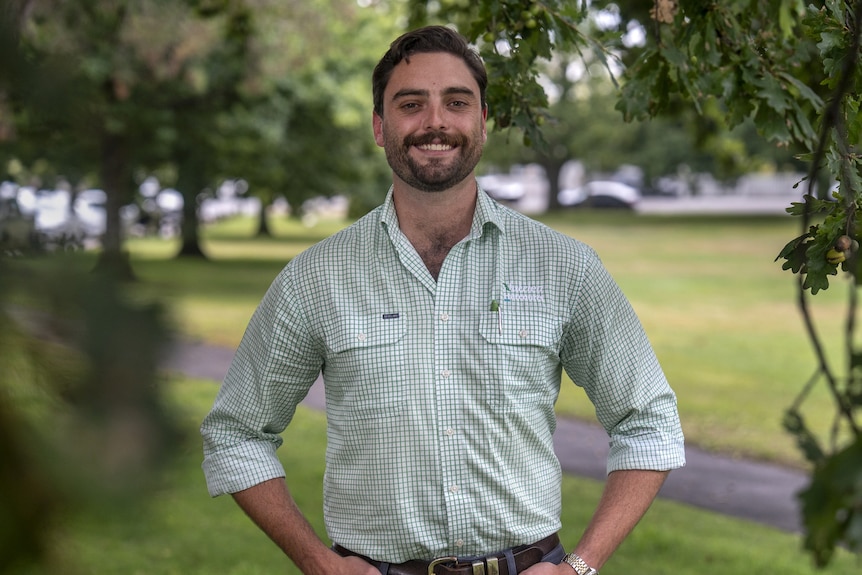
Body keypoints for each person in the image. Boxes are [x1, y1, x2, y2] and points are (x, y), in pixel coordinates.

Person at [201, 25, 685, 575]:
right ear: (380, 127)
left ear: (483, 122)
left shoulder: (563, 267)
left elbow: (648, 422)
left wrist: (582, 566)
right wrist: (319, 564)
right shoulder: (316, 278)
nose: (435, 122)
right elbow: (236, 434)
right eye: (412, 104)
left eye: (456, 102)